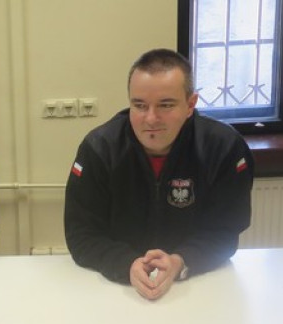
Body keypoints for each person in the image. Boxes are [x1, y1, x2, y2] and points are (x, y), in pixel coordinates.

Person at [64, 48, 254, 301]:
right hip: (115, 290)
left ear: (190, 104)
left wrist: (180, 262)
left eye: (166, 105)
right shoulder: (99, 148)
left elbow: (226, 232)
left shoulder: (224, 148)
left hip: (198, 287)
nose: (151, 119)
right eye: (139, 105)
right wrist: (126, 265)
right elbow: (81, 235)